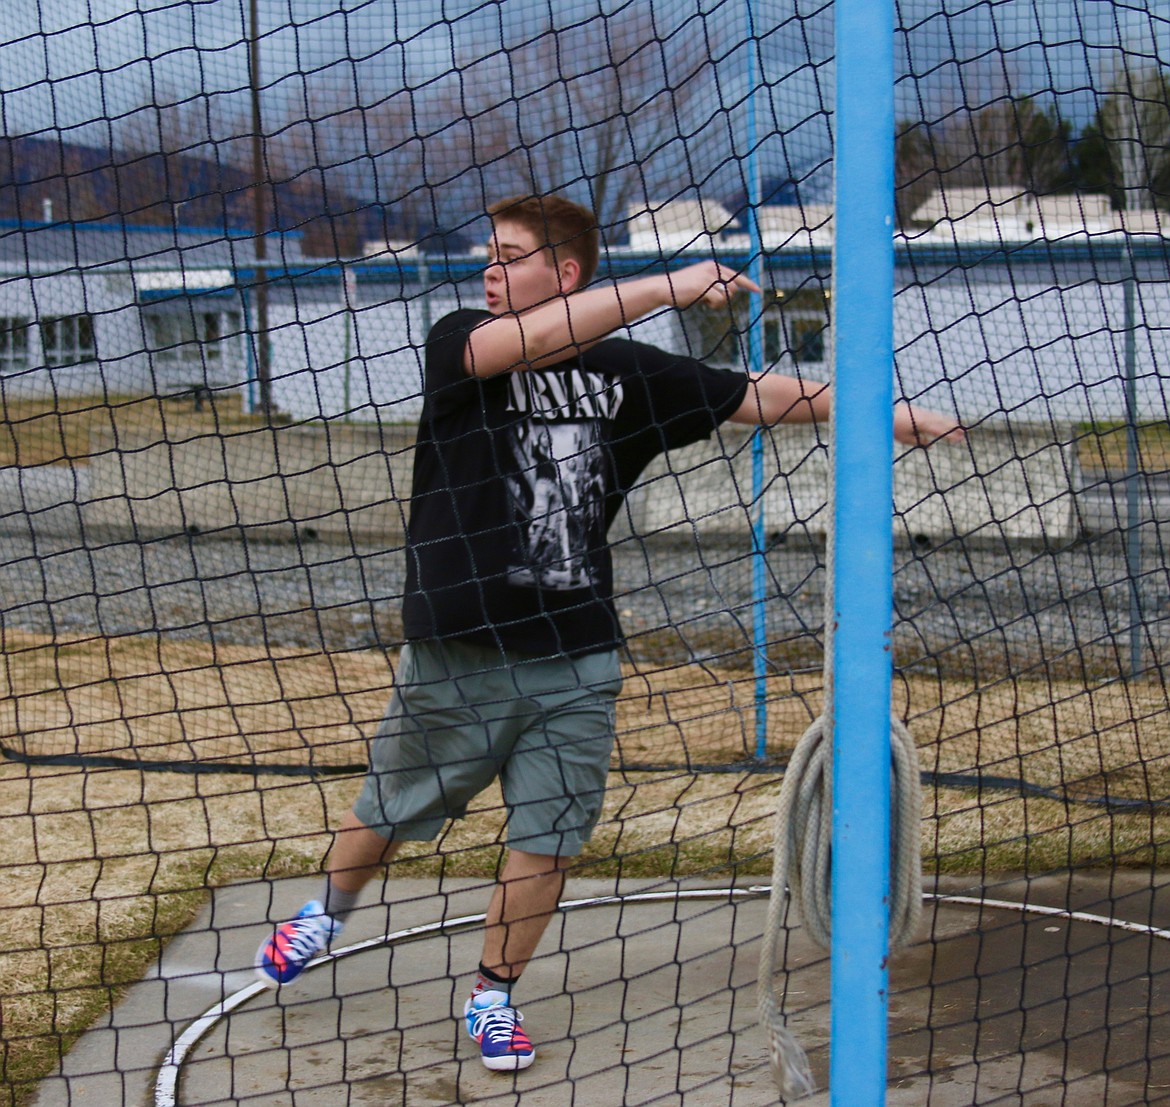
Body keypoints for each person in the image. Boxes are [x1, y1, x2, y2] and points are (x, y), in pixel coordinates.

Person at [254, 194, 964, 1072]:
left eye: (511, 256)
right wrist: (673, 284)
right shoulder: (459, 339)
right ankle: (324, 909)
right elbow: (501, 345)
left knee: (548, 837)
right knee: (390, 809)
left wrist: (892, 416)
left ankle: (492, 997)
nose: (491, 268)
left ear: (566, 273)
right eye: (489, 253)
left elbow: (764, 395)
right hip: (459, 648)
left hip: (577, 656)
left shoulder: (631, 374)